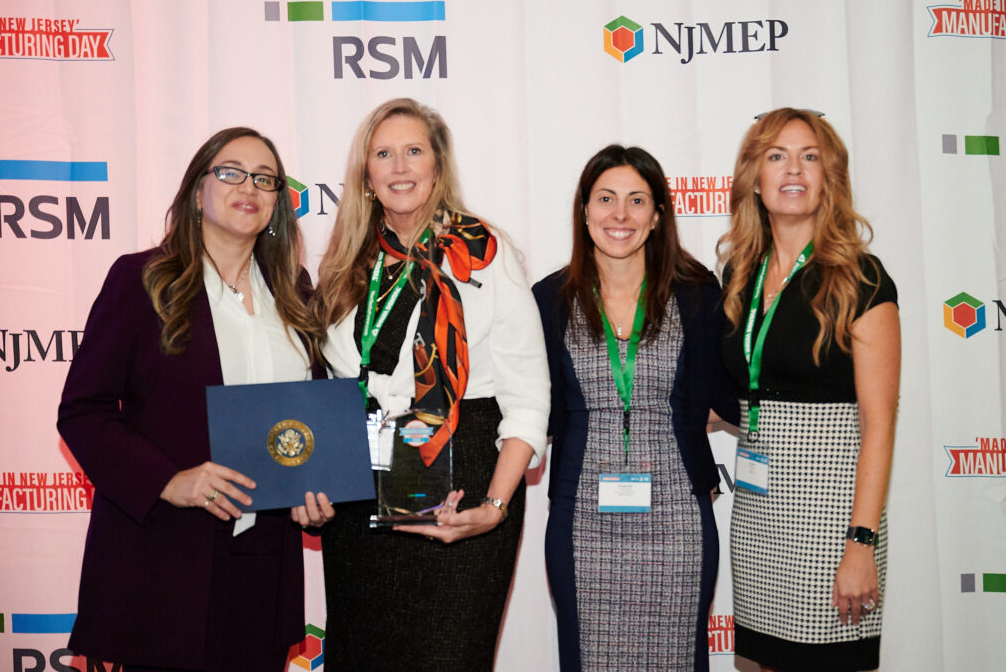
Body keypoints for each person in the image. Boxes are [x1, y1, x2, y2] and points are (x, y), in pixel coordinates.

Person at [57, 127, 333, 672]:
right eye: (230, 172)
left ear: (278, 203)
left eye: (265, 178)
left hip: (263, 561)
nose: (248, 187)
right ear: (197, 190)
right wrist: (168, 480)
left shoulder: (295, 291)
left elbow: (312, 417)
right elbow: (83, 413)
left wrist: (316, 493)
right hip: (164, 554)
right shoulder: (143, 279)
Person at [311, 97, 550, 671]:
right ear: (365, 175)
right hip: (361, 492)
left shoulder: (484, 253)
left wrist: (495, 506)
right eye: (383, 154)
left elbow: (527, 397)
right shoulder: (345, 263)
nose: (399, 167)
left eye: (414, 151)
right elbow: (329, 386)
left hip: (462, 488)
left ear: (438, 165)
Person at [533, 144, 738, 671]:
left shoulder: (696, 293)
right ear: (584, 210)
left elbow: (724, 393)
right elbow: (537, 409)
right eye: (605, 199)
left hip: (678, 516)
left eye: (636, 200)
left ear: (658, 215)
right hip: (581, 514)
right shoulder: (550, 298)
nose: (619, 215)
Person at [717, 108, 900, 672]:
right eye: (776, 156)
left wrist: (860, 543)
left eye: (809, 157)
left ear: (829, 178)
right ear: (755, 178)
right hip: (758, 517)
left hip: (830, 520)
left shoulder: (862, 279)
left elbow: (879, 424)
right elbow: (755, 393)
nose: (793, 169)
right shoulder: (739, 276)